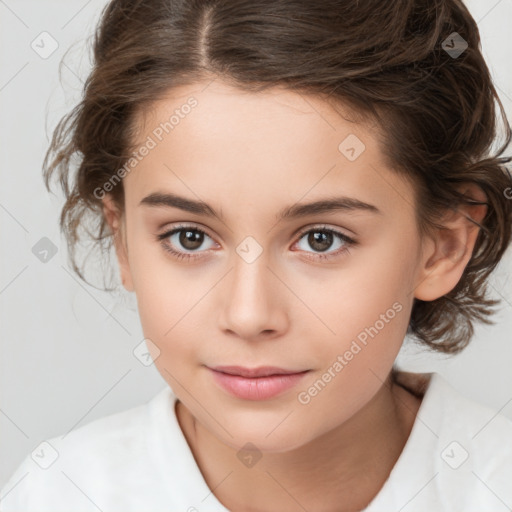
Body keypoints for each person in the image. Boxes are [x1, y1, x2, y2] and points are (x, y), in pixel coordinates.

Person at [1, 0, 512, 511]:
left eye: (320, 239)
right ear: (123, 240)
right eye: (190, 238)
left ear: (445, 244)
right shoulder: (58, 494)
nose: (248, 316)